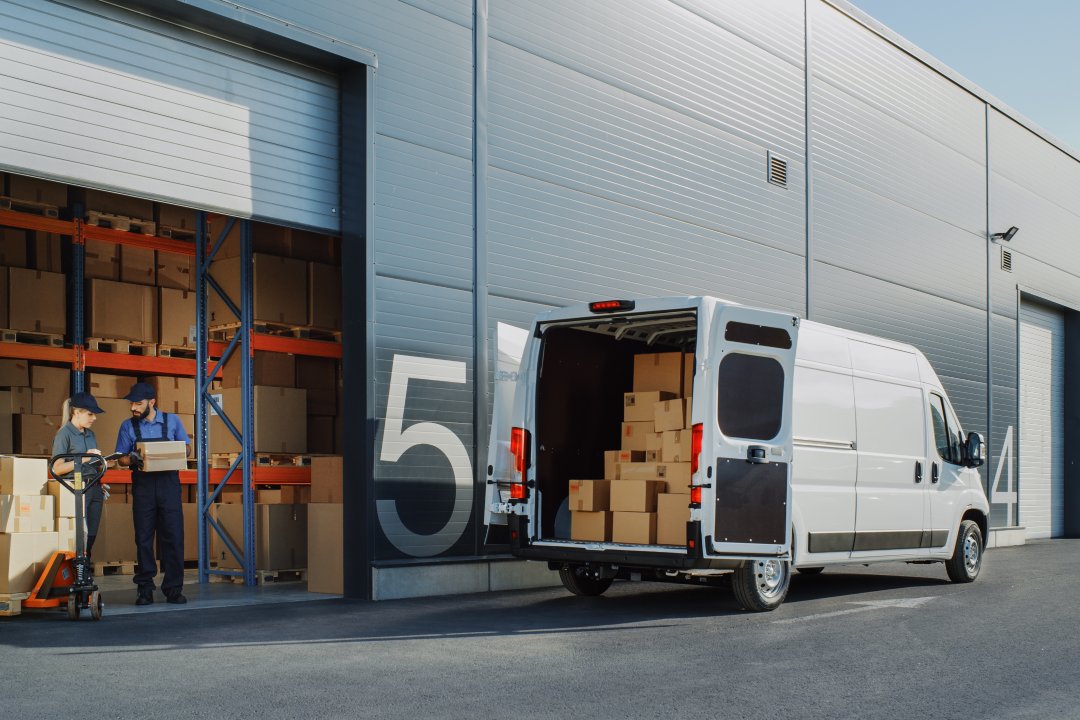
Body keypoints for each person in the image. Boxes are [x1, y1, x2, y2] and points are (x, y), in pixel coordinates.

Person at [115, 382, 190, 605]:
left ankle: (173, 588)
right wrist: (131, 459)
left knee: (174, 537)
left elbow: (187, 449)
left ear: (152, 402)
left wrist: (175, 450)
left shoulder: (172, 421)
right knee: (144, 538)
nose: (133, 408)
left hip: (169, 486)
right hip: (143, 487)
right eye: (132, 404)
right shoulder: (127, 426)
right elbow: (120, 458)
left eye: (138, 404)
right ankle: (145, 588)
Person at [51, 392, 109, 557]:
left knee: (91, 534)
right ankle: (77, 572)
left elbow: (91, 461)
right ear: (76, 412)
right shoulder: (64, 434)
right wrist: (83, 458)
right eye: (90, 414)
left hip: (94, 487)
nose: (94, 418)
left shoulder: (91, 434)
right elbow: (56, 468)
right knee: (79, 534)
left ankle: (85, 570)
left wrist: (103, 463)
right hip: (77, 489)